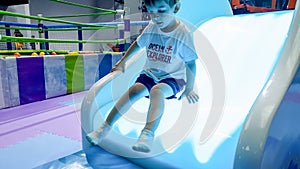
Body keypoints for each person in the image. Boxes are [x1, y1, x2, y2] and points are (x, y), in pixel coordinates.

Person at [86, 0, 199, 153]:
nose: (156, 16)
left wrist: (189, 88)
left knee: (157, 91)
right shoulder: (152, 27)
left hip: (173, 78)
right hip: (150, 74)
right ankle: (103, 129)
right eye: (151, 11)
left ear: (176, 7)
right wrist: (122, 62)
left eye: (161, 10)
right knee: (134, 90)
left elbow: (191, 63)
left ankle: (147, 134)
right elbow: (138, 44)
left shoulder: (182, 34)